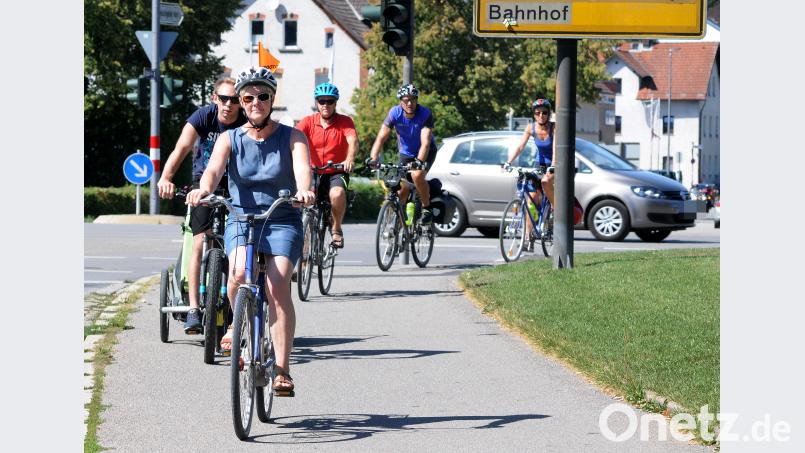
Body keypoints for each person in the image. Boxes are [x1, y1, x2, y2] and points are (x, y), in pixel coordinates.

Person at [186, 67, 315, 394]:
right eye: (248, 97)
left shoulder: (293, 136)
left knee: (275, 285)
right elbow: (213, 170)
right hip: (242, 218)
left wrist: (305, 191)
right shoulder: (230, 138)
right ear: (241, 102)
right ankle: (235, 322)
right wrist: (204, 189)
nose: (255, 102)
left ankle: (282, 369)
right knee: (238, 274)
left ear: (272, 99)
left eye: (262, 96)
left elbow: (303, 169)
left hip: (282, 217)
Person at [157, 77, 247, 334]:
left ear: (240, 102)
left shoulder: (246, 123)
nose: (228, 104)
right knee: (198, 242)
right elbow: (182, 147)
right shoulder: (203, 117)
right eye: (223, 98)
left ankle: (237, 305)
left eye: (233, 100)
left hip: (235, 187)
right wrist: (166, 177)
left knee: (239, 244)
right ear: (214, 98)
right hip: (202, 186)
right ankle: (194, 309)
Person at [295, 82, 358, 248]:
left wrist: (349, 158)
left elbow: (353, 140)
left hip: (337, 170)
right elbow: (293, 139)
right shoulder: (308, 122)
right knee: (305, 202)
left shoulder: (345, 121)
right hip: (312, 171)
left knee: (337, 194)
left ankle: (336, 229)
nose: (325, 105)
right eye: (322, 101)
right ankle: (304, 256)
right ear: (316, 103)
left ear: (336, 103)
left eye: (330, 101)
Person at [366, 83, 437, 224]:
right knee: (402, 188)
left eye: (413, 99)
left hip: (426, 152)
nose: (410, 103)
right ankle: (399, 223)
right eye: (406, 100)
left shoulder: (425, 114)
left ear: (417, 100)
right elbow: (381, 137)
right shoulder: (395, 113)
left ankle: (426, 207)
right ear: (401, 101)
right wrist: (373, 158)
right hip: (406, 153)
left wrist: (419, 162)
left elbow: (426, 143)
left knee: (417, 175)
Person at [506, 98, 556, 249]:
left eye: (544, 113)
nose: (541, 115)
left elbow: (556, 148)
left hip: (554, 163)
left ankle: (555, 208)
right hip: (539, 163)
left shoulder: (554, 128)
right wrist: (508, 162)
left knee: (546, 182)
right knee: (531, 201)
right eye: (538, 113)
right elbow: (521, 146)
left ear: (549, 113)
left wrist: (553, 165)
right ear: (534, 115)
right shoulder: (531, 128)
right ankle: (529, 238)